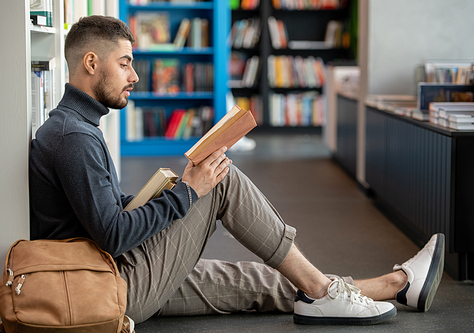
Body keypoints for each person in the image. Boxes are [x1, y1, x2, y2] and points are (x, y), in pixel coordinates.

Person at [29, 15, 445, 326]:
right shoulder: (73, 137)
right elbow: (112, 234)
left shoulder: (75, 127)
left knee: (251, 280)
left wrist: (163, 194)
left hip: (112, 274)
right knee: (220, 182)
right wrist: (188, 192)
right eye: (124, 63)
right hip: (112, 286)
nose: (134, 75)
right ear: (90, 62)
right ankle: (322, 291)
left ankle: (395, 285)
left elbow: (97, 213)